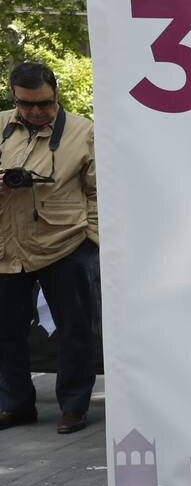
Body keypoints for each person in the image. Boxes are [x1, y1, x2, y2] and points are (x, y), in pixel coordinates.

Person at [0, 62, 99, 435]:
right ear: (14, 97)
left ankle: (74, 406)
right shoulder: (1, 126)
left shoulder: (83, 131)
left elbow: (99, 190)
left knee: (74, 330)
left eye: (43, 103)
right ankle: (15, 404)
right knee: (5, 331)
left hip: (66, 244)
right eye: (25, 104)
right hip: (7, 247)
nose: (35, 112)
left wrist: (91, 238)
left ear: (56, 94)